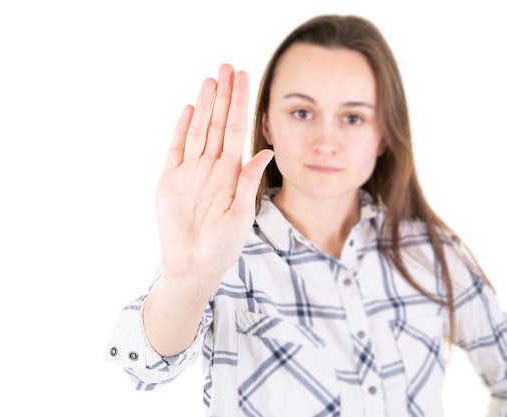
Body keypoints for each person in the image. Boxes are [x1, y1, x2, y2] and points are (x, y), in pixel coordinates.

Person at [104, 14, 507, 416]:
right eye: (301, 112)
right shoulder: (224, 249)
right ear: (267, 123)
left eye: (353, 117)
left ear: (383, 134)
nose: (326, 142)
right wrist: (186, 279)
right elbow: (145, 367)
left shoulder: (431, 253)